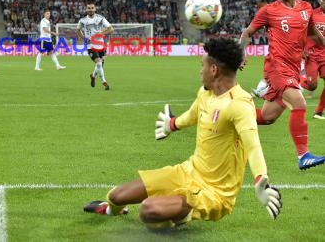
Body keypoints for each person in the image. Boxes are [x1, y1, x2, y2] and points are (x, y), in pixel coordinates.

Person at [84, 38, 282, 228]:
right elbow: (193, 115)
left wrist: (260, 181)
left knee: (148, 210)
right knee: (116, 196)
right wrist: (171, 124)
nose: (200, 71)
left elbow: (253, 145)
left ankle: (176, 217)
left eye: (202, 65)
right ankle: (112, 210)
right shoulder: (205, 93)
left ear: (214, 70)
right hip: (188, 171)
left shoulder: (239, 104)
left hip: (214, 193)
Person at [239, 0, 325, 170]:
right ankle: (304, 155)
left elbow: (312, 33)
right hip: (276, 67)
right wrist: (242, 53)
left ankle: (226, 115)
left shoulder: (306, 8)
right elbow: (247, 32)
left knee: (267, 117)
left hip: (294, 69)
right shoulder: (269, 11)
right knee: (299, 101)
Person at [76, 1, 113, 90]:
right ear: (86, 9)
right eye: (89, 8)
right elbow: (78, 30)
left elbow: (111, 29)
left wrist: (102, 33)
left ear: (95, 9)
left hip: (101, 45)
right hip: (90, 45)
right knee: (99, 63)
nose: (90, 10)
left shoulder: (101, 18)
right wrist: (84, 38)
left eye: (92, 8)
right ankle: (105, 83)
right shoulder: (82, 20)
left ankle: (93, 75)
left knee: (100, 65)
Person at [302, 0, 325, 119]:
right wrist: (302, 48)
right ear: (319, 1)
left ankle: (319, 112)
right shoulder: (312, 15)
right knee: (312, 86)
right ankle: (299, 80)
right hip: (311, 55)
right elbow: (302, 32)